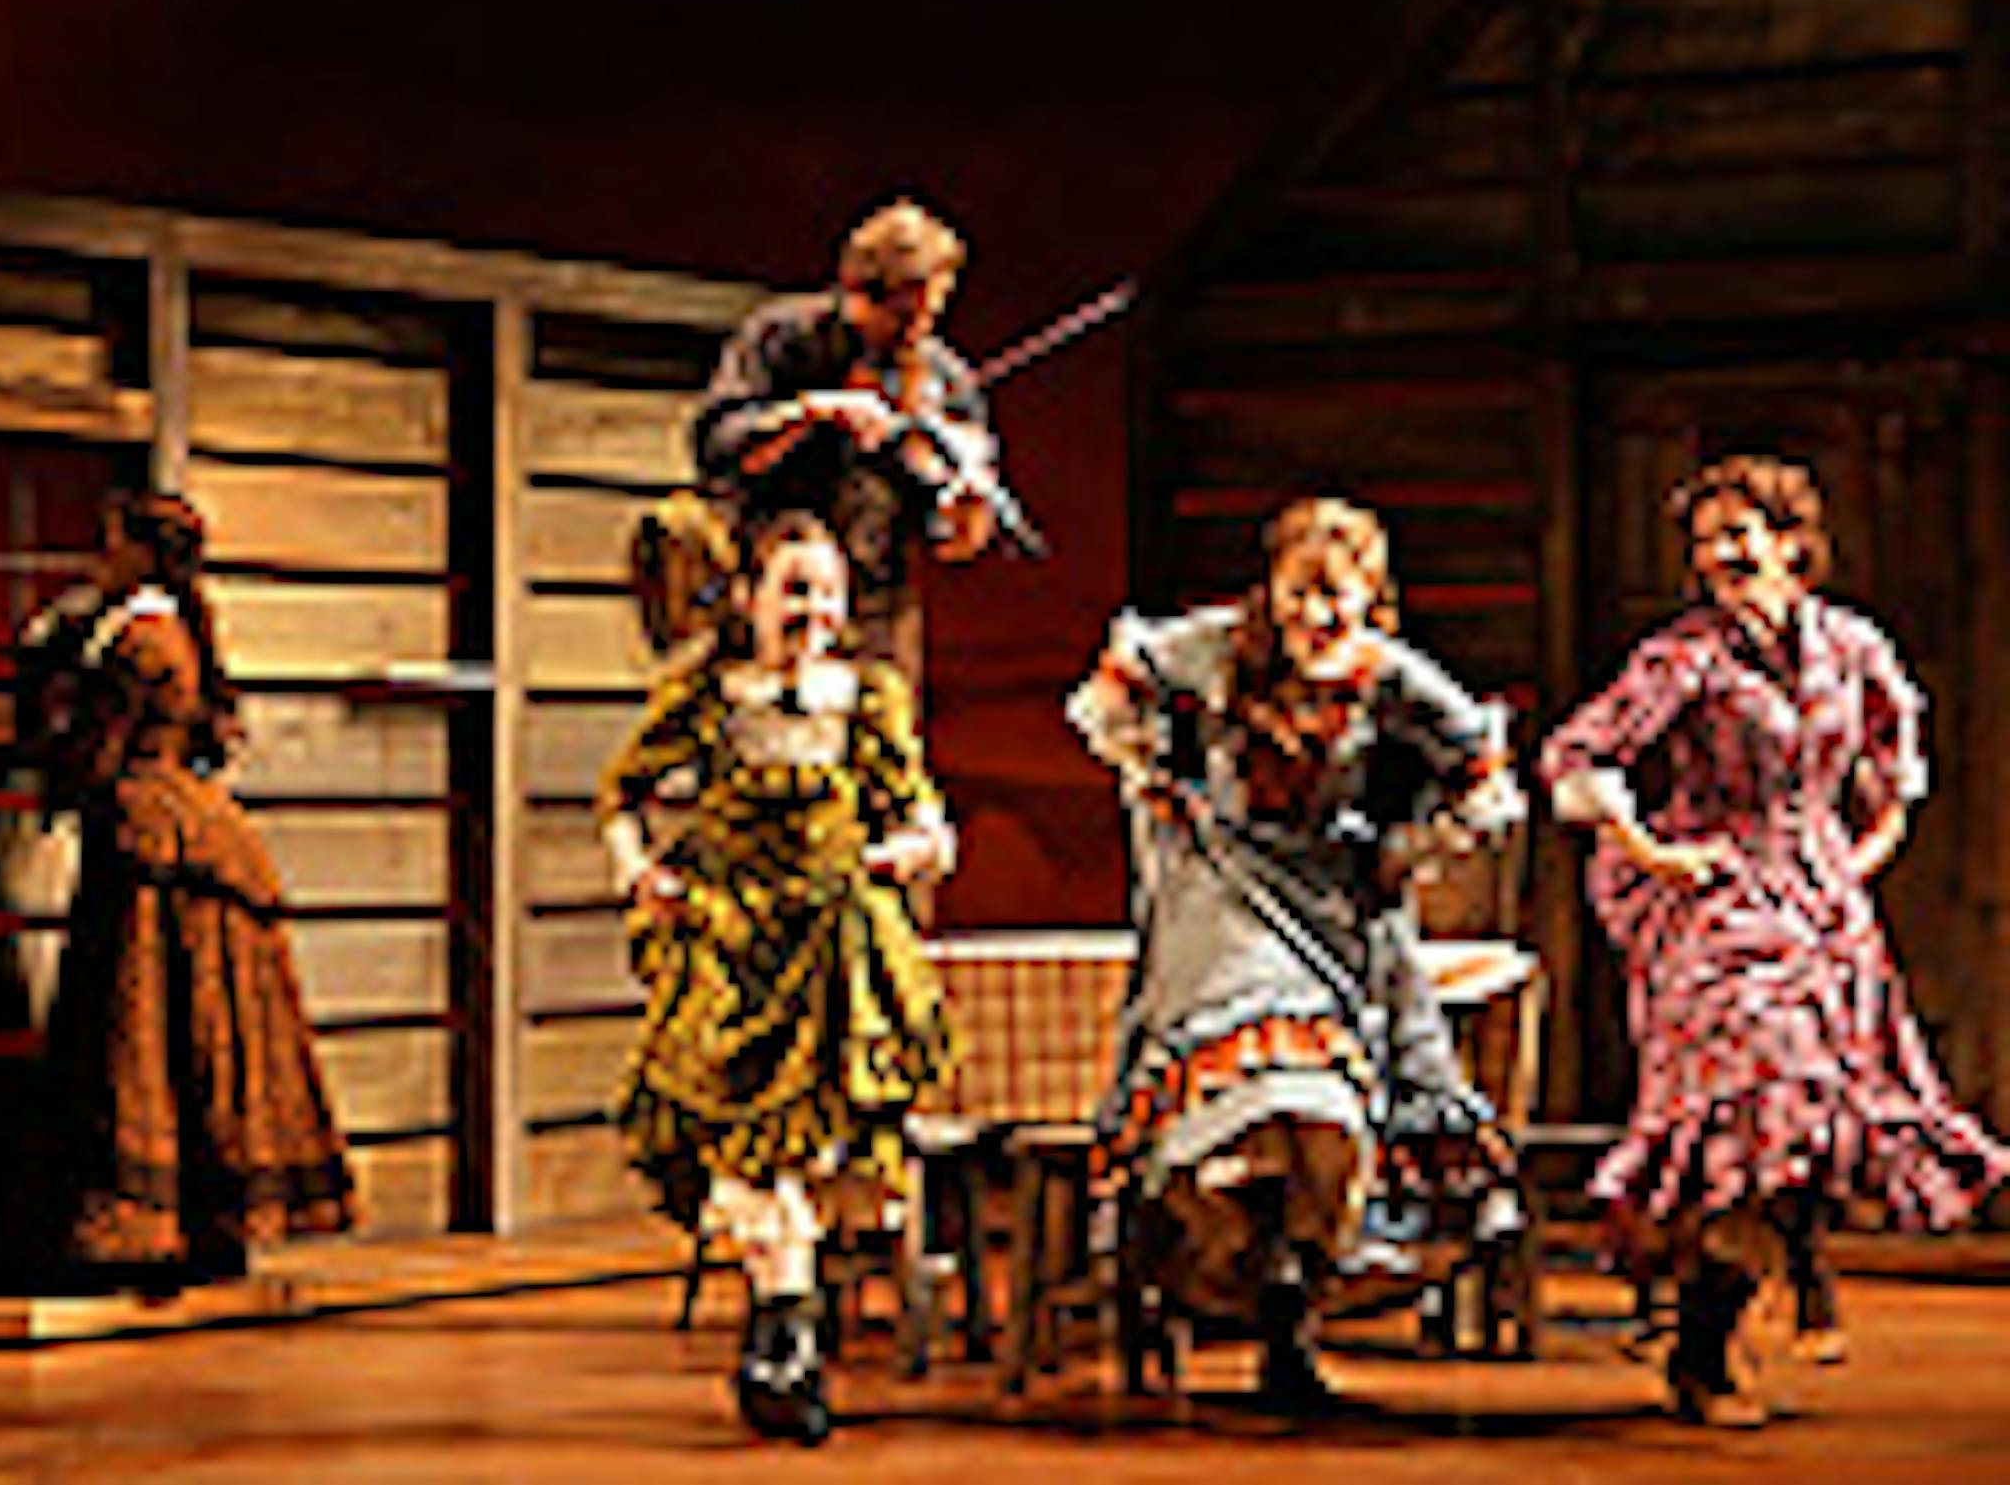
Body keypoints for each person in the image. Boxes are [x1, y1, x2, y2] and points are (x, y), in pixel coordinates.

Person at [1540, 454, 2010, 1426]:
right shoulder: (1687, 656)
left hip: (1819, 896)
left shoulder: (1851, 648)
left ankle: (1760, 1279)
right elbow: (1578, 755)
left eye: (1738, 532)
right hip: (1712, 892)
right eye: (1706, 538)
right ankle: (1712, 1346)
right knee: (1758, 1078)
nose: (1719, 553)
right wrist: (1653, 850)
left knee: (1818, 1108)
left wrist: (1856, 857)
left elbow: (1893, 764)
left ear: (1794, 543)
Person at [1067, 498, 1525, 1406]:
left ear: (1371, 600)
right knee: (1263, 1089)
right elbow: (1119, 685)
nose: (1318, 618)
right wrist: (1155, 776)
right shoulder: (1218, 647)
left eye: (1339, 600)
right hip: (1224, 891)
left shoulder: (1388, 677)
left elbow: (1481, 767)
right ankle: (1235, 1264)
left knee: (1329, 1125)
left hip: (1330, 902)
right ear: (1270, 592)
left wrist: (1409, 845)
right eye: (1301, 596)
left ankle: (1292, 1295)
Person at [599, 510, 958, 1443]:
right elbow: (623, 793)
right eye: (795, 588)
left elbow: (920, 808)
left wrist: (912, 846)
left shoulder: (869, 698)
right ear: (752, 598)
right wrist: (640, 871)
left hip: (834, 945)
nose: (814, 610)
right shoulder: (711, 695)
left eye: (829, 591)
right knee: (745, 1147)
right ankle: (783, 1334)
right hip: (732, 943)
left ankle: (783, 1338)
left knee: (814, 1160)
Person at [25, 493, 356, 1294]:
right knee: (188, 1025)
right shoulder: (170, 624)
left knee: (143, 1025)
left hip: (149, 838)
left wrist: (50, 738)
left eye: (113, 543)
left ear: (141, 551)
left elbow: (99, 748)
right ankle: (205, 1221)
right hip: (186, 830)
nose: (101, 556)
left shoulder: (142, 637)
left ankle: (148, 1227)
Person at [691, 197, 1004, 657]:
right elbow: (719, 445)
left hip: (877, 613)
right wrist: (814, 411)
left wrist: (968, 510)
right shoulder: (783, 338)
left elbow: (952, 543)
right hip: (772, 601)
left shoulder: (942, 376)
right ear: (855, 293)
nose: (915, 335)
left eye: (929, 316)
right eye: (901, 319)